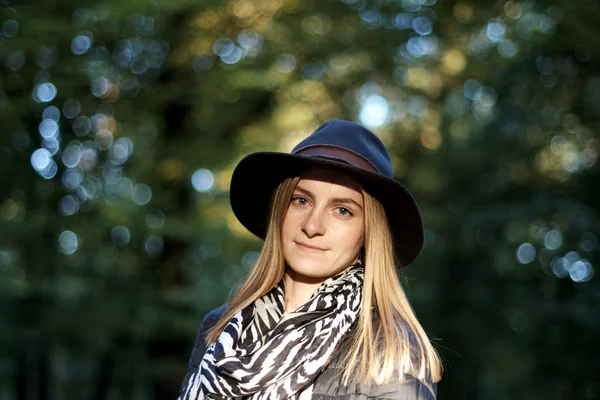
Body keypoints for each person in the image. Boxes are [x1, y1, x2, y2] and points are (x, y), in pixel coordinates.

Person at [178, 119, 442, 399]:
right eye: (301, 200)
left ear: (368, 233)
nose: (312, 226)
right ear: (280, 210)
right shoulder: (220, 326)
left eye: (342, 210)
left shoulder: (389, 354)